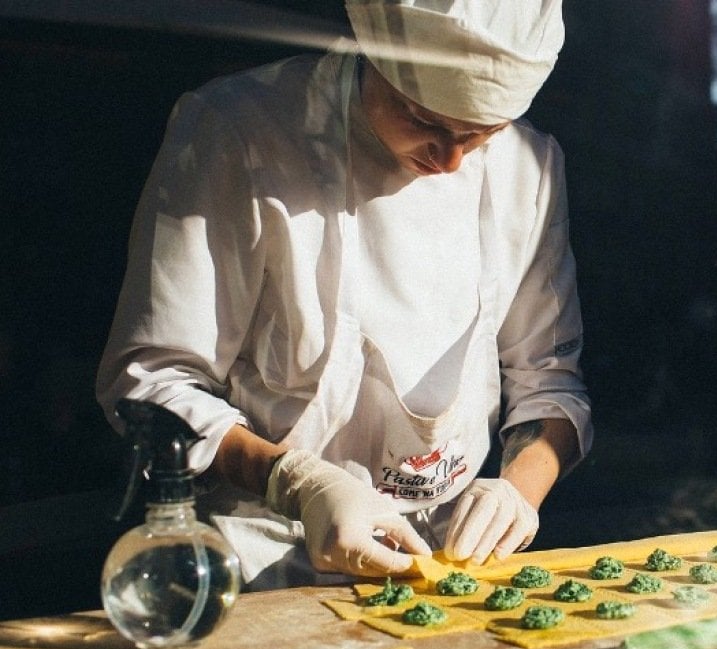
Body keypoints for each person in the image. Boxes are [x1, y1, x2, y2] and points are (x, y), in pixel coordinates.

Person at [96, 0, 592, 590]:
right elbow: (153, 383)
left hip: (449, 559)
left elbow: (549, 381)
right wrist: (298, 483)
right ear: (373, 55)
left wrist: (517, 492)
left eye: (481, 134)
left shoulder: (529, 168)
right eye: (423, 120)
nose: (450, 159)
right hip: (265, 556)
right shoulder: (239, 132)